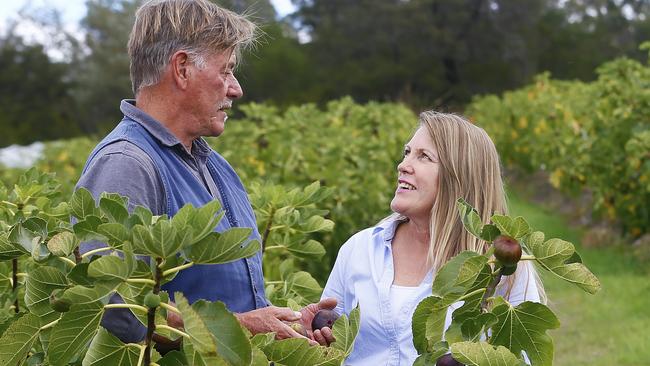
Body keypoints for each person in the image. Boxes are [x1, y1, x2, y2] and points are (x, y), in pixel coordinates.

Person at [76, 0, 334, 350]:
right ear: (182, 68)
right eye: (226, 71)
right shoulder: (127, 164)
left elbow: (225, 294)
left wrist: (283, 322)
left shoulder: (215, 165)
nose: (236, 88)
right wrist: (240, 327)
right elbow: (114, 307)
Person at [321, 111, 545, 365]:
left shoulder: (498, 266)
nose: (403, 165)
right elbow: (327, 335)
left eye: (423, 156)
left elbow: (520, 358)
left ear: (459, 177)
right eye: (407, 152)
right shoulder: (360, 249)